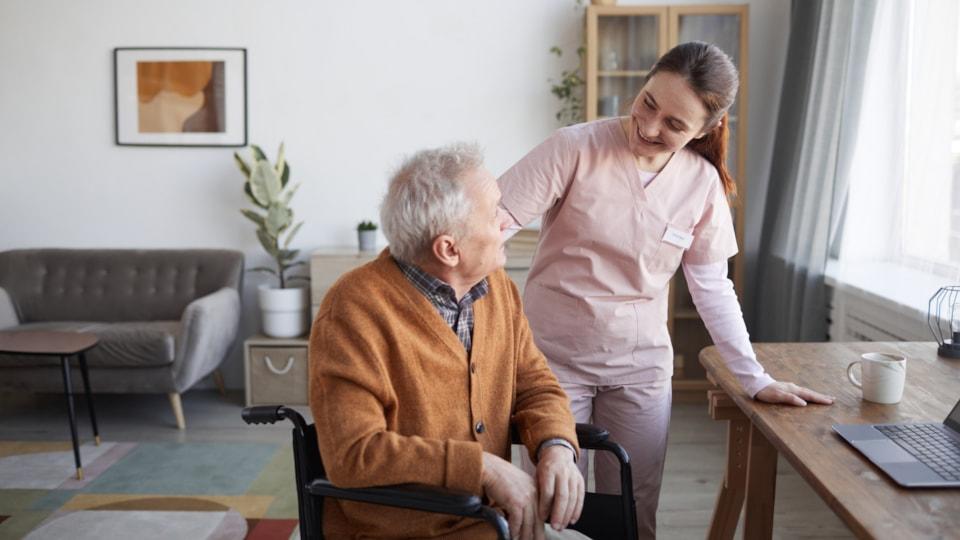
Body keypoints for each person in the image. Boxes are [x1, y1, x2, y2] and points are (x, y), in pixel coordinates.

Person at [496, 41, 835, 538]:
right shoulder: (574, 148)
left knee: (631, 511)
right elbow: (491, 225)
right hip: (551, 362)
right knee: (552, 506)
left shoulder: (701, 185)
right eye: (649, 102)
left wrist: (754, 378)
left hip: (639, 368)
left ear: (707, 129)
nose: (650, 126)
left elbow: (712, 288)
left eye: (675, 124)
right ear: (645, 81)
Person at [309, 143, 589, 540]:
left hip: (494, 523)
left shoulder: (498, 290)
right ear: (449, 249)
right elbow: (354, 454)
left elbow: (535, 384)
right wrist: (482, 467)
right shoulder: (354, 310)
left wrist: (556, 445)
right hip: (399, 532)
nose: (508, 222)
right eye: (495, 214)